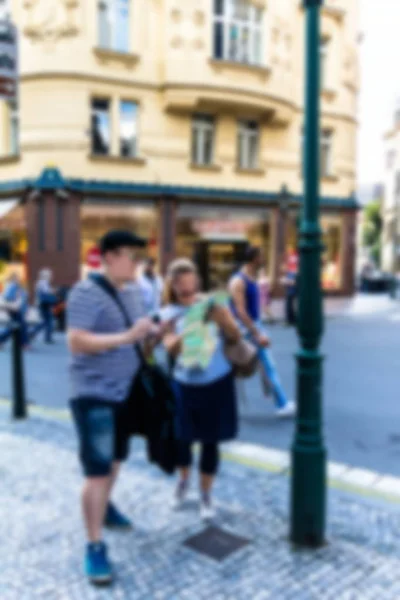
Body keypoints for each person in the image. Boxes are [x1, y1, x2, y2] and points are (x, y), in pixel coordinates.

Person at [67, 230, 161, 586]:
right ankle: (94, 546)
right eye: (131, 256)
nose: (138, 264)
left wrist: (154, 332)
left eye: (140, 257)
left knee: (116, 460)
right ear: (108, 257)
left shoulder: (136, 291)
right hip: (94, 393)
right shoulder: (85, 292)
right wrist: (126, 337)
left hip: (127, 391)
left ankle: (104, 506)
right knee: (97, 470)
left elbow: (141, 336)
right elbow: (76, 341)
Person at [162, 258, 241, 520]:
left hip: (216, 382)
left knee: (210, 442)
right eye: (179, 283)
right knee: (182, 440)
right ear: (172, 286)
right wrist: (195, 320)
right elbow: (171, 347)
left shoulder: (213, 303)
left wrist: (222, 318)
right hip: (184, 384)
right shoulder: (168, 313)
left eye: (190, 281)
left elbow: (235, 336)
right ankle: (183, 482)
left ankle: (206, 494)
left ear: (197, 281)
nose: (186, 287)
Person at [229, 246, 295, 418]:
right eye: (261, 256)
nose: (263, 259)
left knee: (262, 366)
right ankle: (281, 403)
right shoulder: (239, 281)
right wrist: (257, 333)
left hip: (254, 325)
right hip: (248, 328)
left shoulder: (251, 277)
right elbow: (241, 312)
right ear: (254, 259)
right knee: (266, 365)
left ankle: (280, 401)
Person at [0, 273, 29, 348]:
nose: (19, 279)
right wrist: (15, 301)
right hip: (15, 310)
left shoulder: (17, 286)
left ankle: (23, 343)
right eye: (17, 278)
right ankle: (23, 343)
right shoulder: (13, 286)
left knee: (18, 326)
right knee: (17, 326)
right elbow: (8, 297)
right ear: (14, 278)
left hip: (17, 309)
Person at [31, 269, 57, 344]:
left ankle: (35, 333)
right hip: (45, 304)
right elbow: (47, 291)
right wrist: (54, 291)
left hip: (42, 304)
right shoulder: (43, 282)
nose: (51, 276)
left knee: (46, 320)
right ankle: (45, 337)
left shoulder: (39, 282)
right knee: (48, 320)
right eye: (49, 274)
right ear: (45, 275)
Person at [281, 250, 299, 326]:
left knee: (290, 306)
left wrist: (287, 281)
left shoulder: (294, 270)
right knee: (289, 306)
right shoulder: (289, 270)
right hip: (289, 290)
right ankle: (291, 320)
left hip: (292, 291)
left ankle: (291, 320)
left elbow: (295, 282)